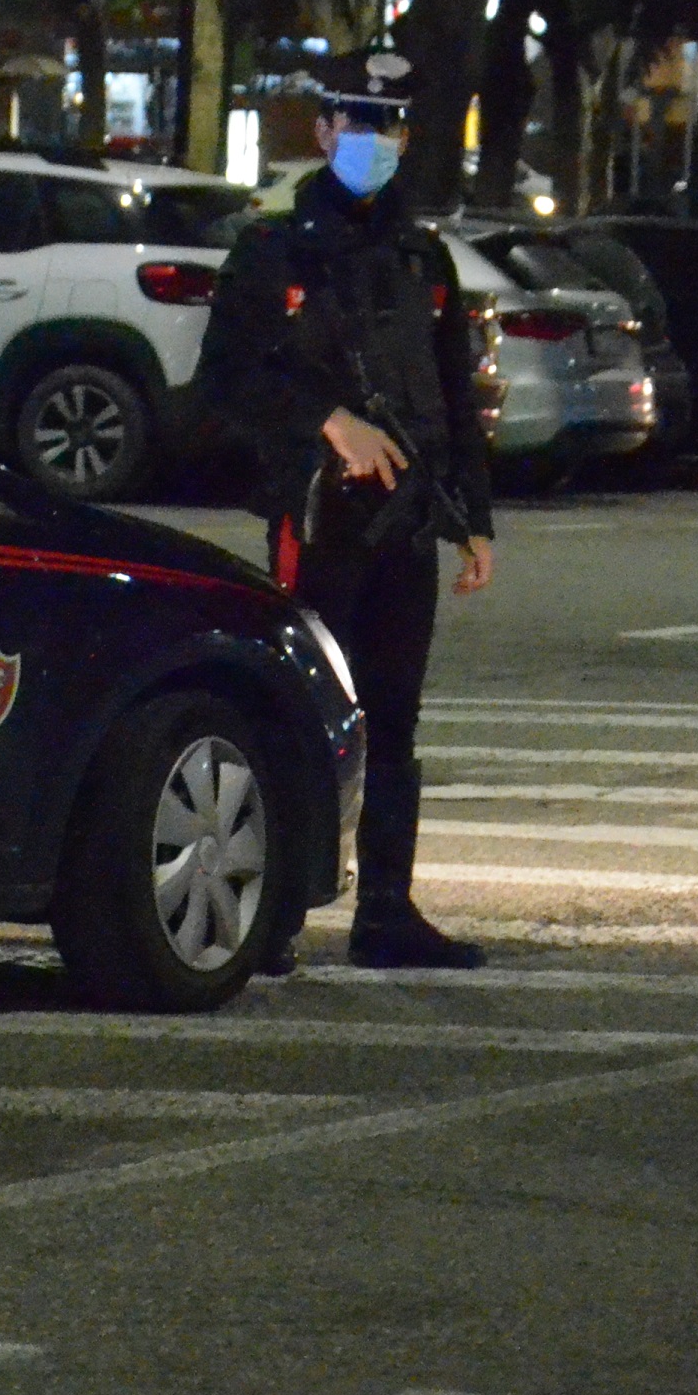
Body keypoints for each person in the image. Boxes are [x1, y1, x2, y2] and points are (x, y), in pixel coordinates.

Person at [198, 91, 497, 973]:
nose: (374, 141)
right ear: (324, 133)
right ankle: (276, 917)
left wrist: (475, 520)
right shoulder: (271, 250)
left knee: (394, 724)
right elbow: (224, 380)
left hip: (404, 525)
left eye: (391, 126)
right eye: (357, 124)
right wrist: (328, 419)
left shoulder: (420, 254)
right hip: (319, 518)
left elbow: (451, 396)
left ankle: (388, 912)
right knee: (298, 714)